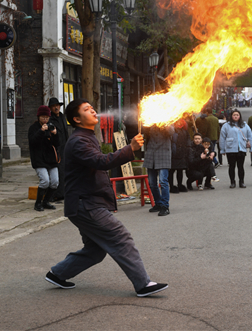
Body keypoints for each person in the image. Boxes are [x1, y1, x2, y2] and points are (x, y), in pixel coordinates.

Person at [46, 99, 168, 297]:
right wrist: (130, 148)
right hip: (86, 205)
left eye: (92, 107)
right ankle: (143, 284)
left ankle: (58, 274)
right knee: (121, 238)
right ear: (76, 119)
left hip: (85, 204)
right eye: (87, 109)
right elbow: (101, 161)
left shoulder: (86, 136)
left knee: (95, 250)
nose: (93, 110)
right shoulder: (79, 141)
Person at [28, 105, 60, 211]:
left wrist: (55, 134)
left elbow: (57, 143)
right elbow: (33, 142)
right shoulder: (33, 128)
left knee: (55, 182)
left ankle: (46, 202)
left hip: (51, 159)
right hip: (39, 159)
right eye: (43, 117)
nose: (45, 119)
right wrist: (41, 131)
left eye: (47, 117)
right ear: (38, 117)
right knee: (45, 181)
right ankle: (38, 203)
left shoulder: (51, 126)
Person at [143, 124, 175, 216]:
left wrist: (164, 123)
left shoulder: (168, 120)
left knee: (163, 181)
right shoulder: (150, 120)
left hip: (163, 154)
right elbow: (144, 131)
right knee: (152, 182)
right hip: (151, 154)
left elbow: (171, 131)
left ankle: (165, 206)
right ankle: (158, 203)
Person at [219, 109, 252, 188]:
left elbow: (250, 136)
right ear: (231, 116)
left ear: (240, 116)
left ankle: (241, 182)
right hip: (230, 149)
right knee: (231, 166)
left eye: (237, 115)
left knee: (240, 166)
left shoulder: (244, 125)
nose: (235, 116)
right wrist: (222, 149)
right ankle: (232, 182)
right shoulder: (226, 125)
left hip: (241, 149)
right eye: (234, 115)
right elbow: (222, 138)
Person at [47, 97, 69, 202]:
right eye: (54, 106)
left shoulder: (62, 117)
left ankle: (62, 193)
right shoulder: (50, 119)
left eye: (57, 106)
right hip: (55, 148)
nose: (56, 107)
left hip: (64, 146)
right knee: (57, 171)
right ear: (50, 108)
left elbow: (65, 132)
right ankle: (55, 194)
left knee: (64, 170)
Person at [169, 119, 189, 194]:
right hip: (173, 153)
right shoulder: (172, 130)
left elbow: (188, 140)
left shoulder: (185, 130)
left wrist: (188, 148)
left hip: (182, 152)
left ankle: (180, 184)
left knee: (180, 170)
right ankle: (171, 186)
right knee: (171, 170)